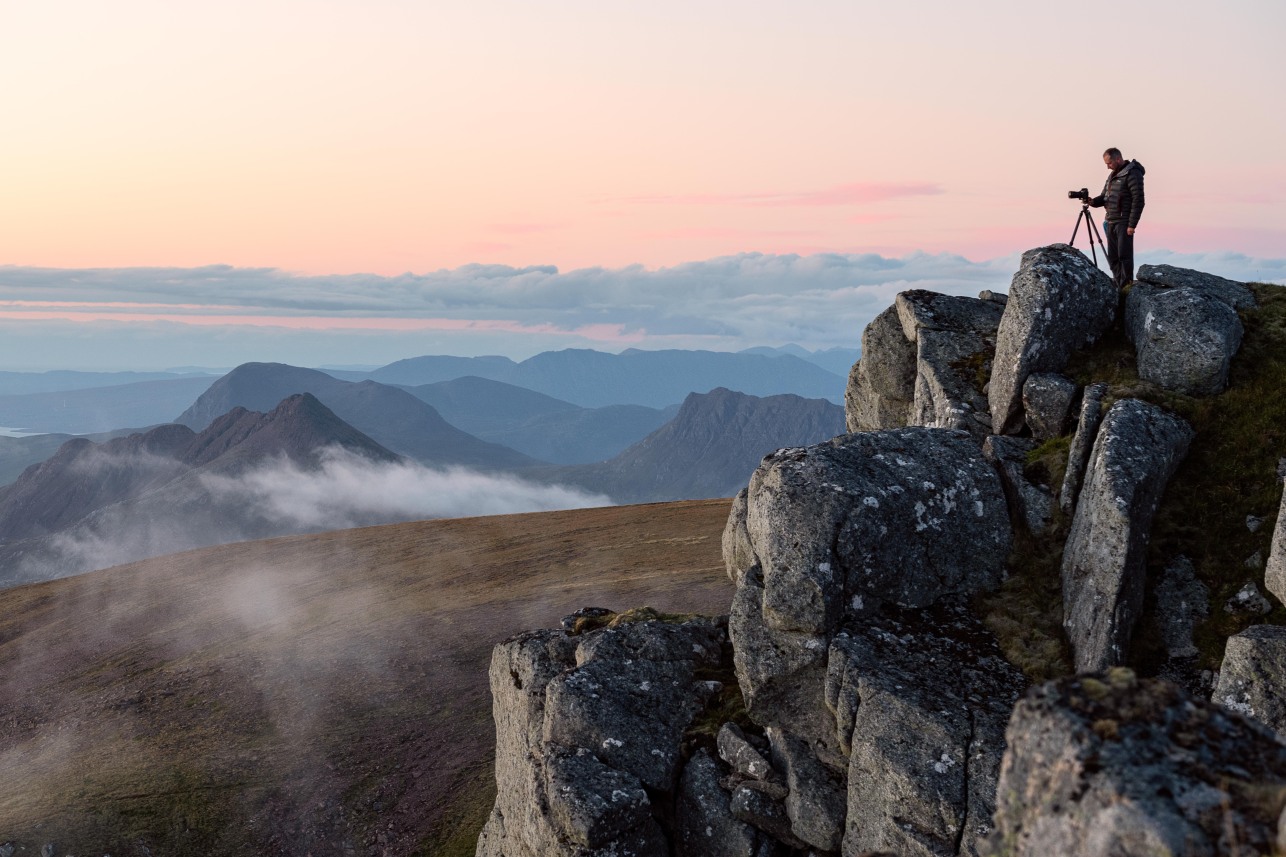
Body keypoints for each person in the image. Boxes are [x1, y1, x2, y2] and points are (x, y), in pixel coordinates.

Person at [1088, 148, 1145, 287]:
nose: (1108, 167)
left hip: (1124, 222)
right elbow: (1105, 197)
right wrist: (1092, 202)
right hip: (1110, 221)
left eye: (1109, 163)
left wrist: (1132, 225)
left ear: (1118, 159)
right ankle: (1119, 285)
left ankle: (1126, 288)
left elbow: (1138, 200)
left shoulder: (1132, 173)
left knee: (1124, 256)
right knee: (1113, 258)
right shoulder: (1113, 175)